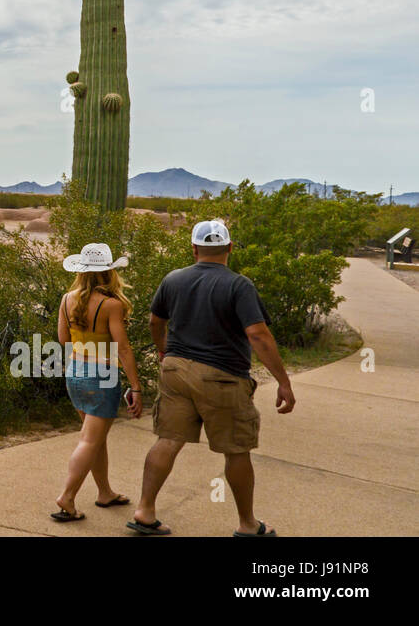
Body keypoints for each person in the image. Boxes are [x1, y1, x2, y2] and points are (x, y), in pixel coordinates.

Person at [128, 220, 296, 537]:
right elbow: (258, 335)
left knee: (168, 440)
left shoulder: (173, 279)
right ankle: (248, 525)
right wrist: (283, 382)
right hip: (223, 377)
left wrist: (165, 352)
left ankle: (145, 511)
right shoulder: (239, 285)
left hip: (176, 371)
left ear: (194, 249)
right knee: (236, 450)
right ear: (230, 248)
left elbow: (154, 321)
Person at [51, 242, 144, 523]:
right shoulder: (111, 305)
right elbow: (124, 348)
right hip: (102, 374)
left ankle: (105, 492)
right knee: (90, 439)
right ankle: (67, 497)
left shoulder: (67, 299)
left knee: (95, 438)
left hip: (75, 371)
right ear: (109, 273)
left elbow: (63, 340)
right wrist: (136, 386)